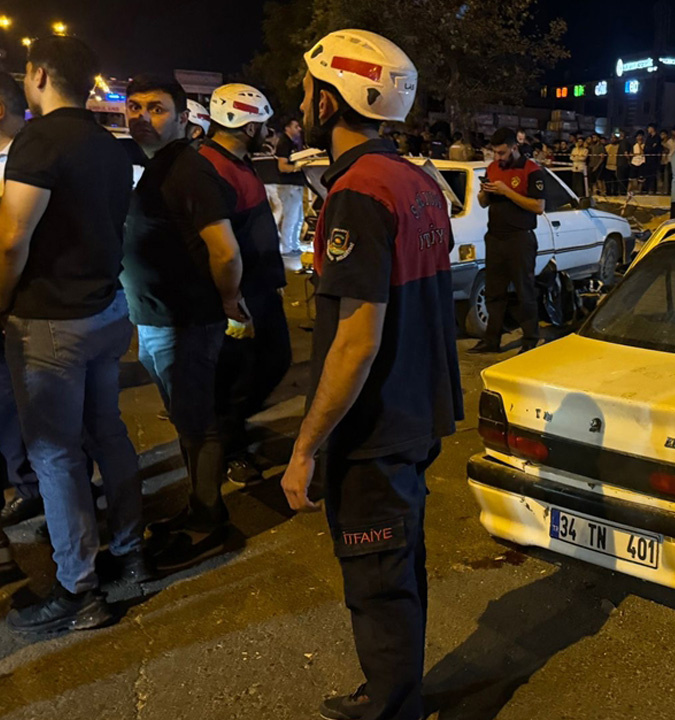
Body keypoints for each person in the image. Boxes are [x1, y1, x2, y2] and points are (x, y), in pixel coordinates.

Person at [282, 29, 463, 720]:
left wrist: (304, 448)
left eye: (307, 90)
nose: (300, 101)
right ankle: (395, 690)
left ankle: (392, 709)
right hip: (420, 413)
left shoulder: (358, 193)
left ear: (330, 101)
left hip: (377, 426)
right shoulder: (417, 179)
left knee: (378, 581)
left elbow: (356, 342)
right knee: (400, 564)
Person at [0, 36, 146, 633]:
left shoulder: (39, 139)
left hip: (50, 321)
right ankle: (133, 550)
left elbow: (13, 239)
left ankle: (78, 588)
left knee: (56, 455)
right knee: (106, 433)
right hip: (106, 310)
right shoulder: (111, 147)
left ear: (37, 74)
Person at [120, 75, 250, 571]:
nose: (141, 117)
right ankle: (197, 506)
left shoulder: (187, 170)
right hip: (157, 319)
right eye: (134, 107)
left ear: (182, 118)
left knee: (199, 424)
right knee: (186, 421)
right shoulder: (159, 167)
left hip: (185, 322)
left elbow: (226, 252)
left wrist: (229, 301)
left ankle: (209, 520)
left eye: (155, 109)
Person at [200, 85, 291, 492]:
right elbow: (221, 249)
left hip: (257, 289)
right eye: (263, 124)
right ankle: (228, 447)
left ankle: (227, 431)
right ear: (248, 123)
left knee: (271, 362)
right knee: (237, 375)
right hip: (239, 296)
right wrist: (231, 298)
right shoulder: (210, 168)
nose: (267, 130)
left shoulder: (237, 162)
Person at [0, 73, 41, 565]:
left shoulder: (27, 163)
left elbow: (14, 243)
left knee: (14, 399)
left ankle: (27, 482)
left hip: (19, 303)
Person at [469, 127, 547, 354]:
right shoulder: (493, 168)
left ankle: (530, 339)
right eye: (494, 152)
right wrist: (485, 193)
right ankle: (491, 340)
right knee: (494, 292)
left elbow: (538, 206)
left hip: (519, 239)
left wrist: (506, 191)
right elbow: (484, 203)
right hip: (495, 238)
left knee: (524, 291)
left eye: (501, 153)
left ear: (515, 148)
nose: (497, 158)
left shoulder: (531, 170)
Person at [271, 115, 307, 255]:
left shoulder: (292, 142)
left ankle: (294, 246)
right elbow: (282, 166)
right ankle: (286, 248)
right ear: (287, 128)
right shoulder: (284, 143)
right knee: (291, 217)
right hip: (289, 186)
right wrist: (299, 167)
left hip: (295, 185)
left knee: (298, 218)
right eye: (295, 126)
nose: (299, 129)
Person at [643, 124, 662, 193]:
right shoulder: (648, 137)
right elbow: (645, 148)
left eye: (649, 128)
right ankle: (647, 188)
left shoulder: (657, 138)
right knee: (647, 174)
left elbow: (654, 148)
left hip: (654, 159)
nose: (648, 130)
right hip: (647, 159)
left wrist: (649, 148)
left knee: (653, 175)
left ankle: (653, 189)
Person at [629, 130, 646, 194]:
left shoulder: (644, 145)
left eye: (641, 136)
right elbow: (631, 154)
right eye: (638, 136)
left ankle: (639, 191)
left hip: (641, 162)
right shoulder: (633, 145)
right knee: (632, 178)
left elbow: (642, 153)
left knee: (641, 179)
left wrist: (639, 145)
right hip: (634, 162)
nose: (639, 138)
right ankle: (630, 191)